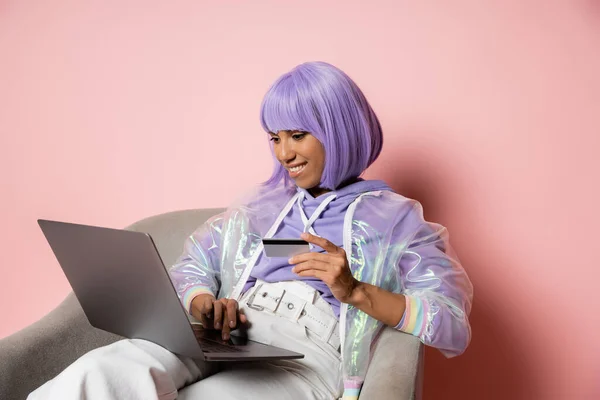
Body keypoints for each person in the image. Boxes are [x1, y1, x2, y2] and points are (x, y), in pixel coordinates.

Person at [28, 61, 473, 400]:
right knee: (100, 372)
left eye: (297, 134)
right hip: (228, 334)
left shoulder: (398, 220)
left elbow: (450, 324)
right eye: (274, 137)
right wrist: (204, 304)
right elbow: (193, 266)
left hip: (308, 353)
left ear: (338, 131)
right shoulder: (261, 207)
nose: (283, 153)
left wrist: (356, 291)